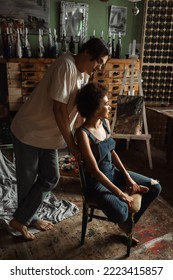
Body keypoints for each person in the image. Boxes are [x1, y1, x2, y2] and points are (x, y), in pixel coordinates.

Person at [10, 38, 109, 240]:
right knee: (27, 183)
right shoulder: (66, 65)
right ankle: (23, 221)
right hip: (29, 131)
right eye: (98, 61)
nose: (99, 67)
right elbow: (58, 108)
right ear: (87, 53)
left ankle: (23, 217)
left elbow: (80, 110)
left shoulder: (83, 74)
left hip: (49, 136)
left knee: (50, 177)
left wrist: (87, 135)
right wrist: (71, 144)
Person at [75, 82, 161, 244]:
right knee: (121, 213)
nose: (109, 107)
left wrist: (128, 177)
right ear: (94, 107)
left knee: (155, 187)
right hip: (97, 183)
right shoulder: (83, 134)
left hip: (113, 173)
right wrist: (120, 194)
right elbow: (94, 170)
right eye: (106, 104)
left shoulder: (105, 124)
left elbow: (112, 152)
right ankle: (126, 212)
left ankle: (127, 221)